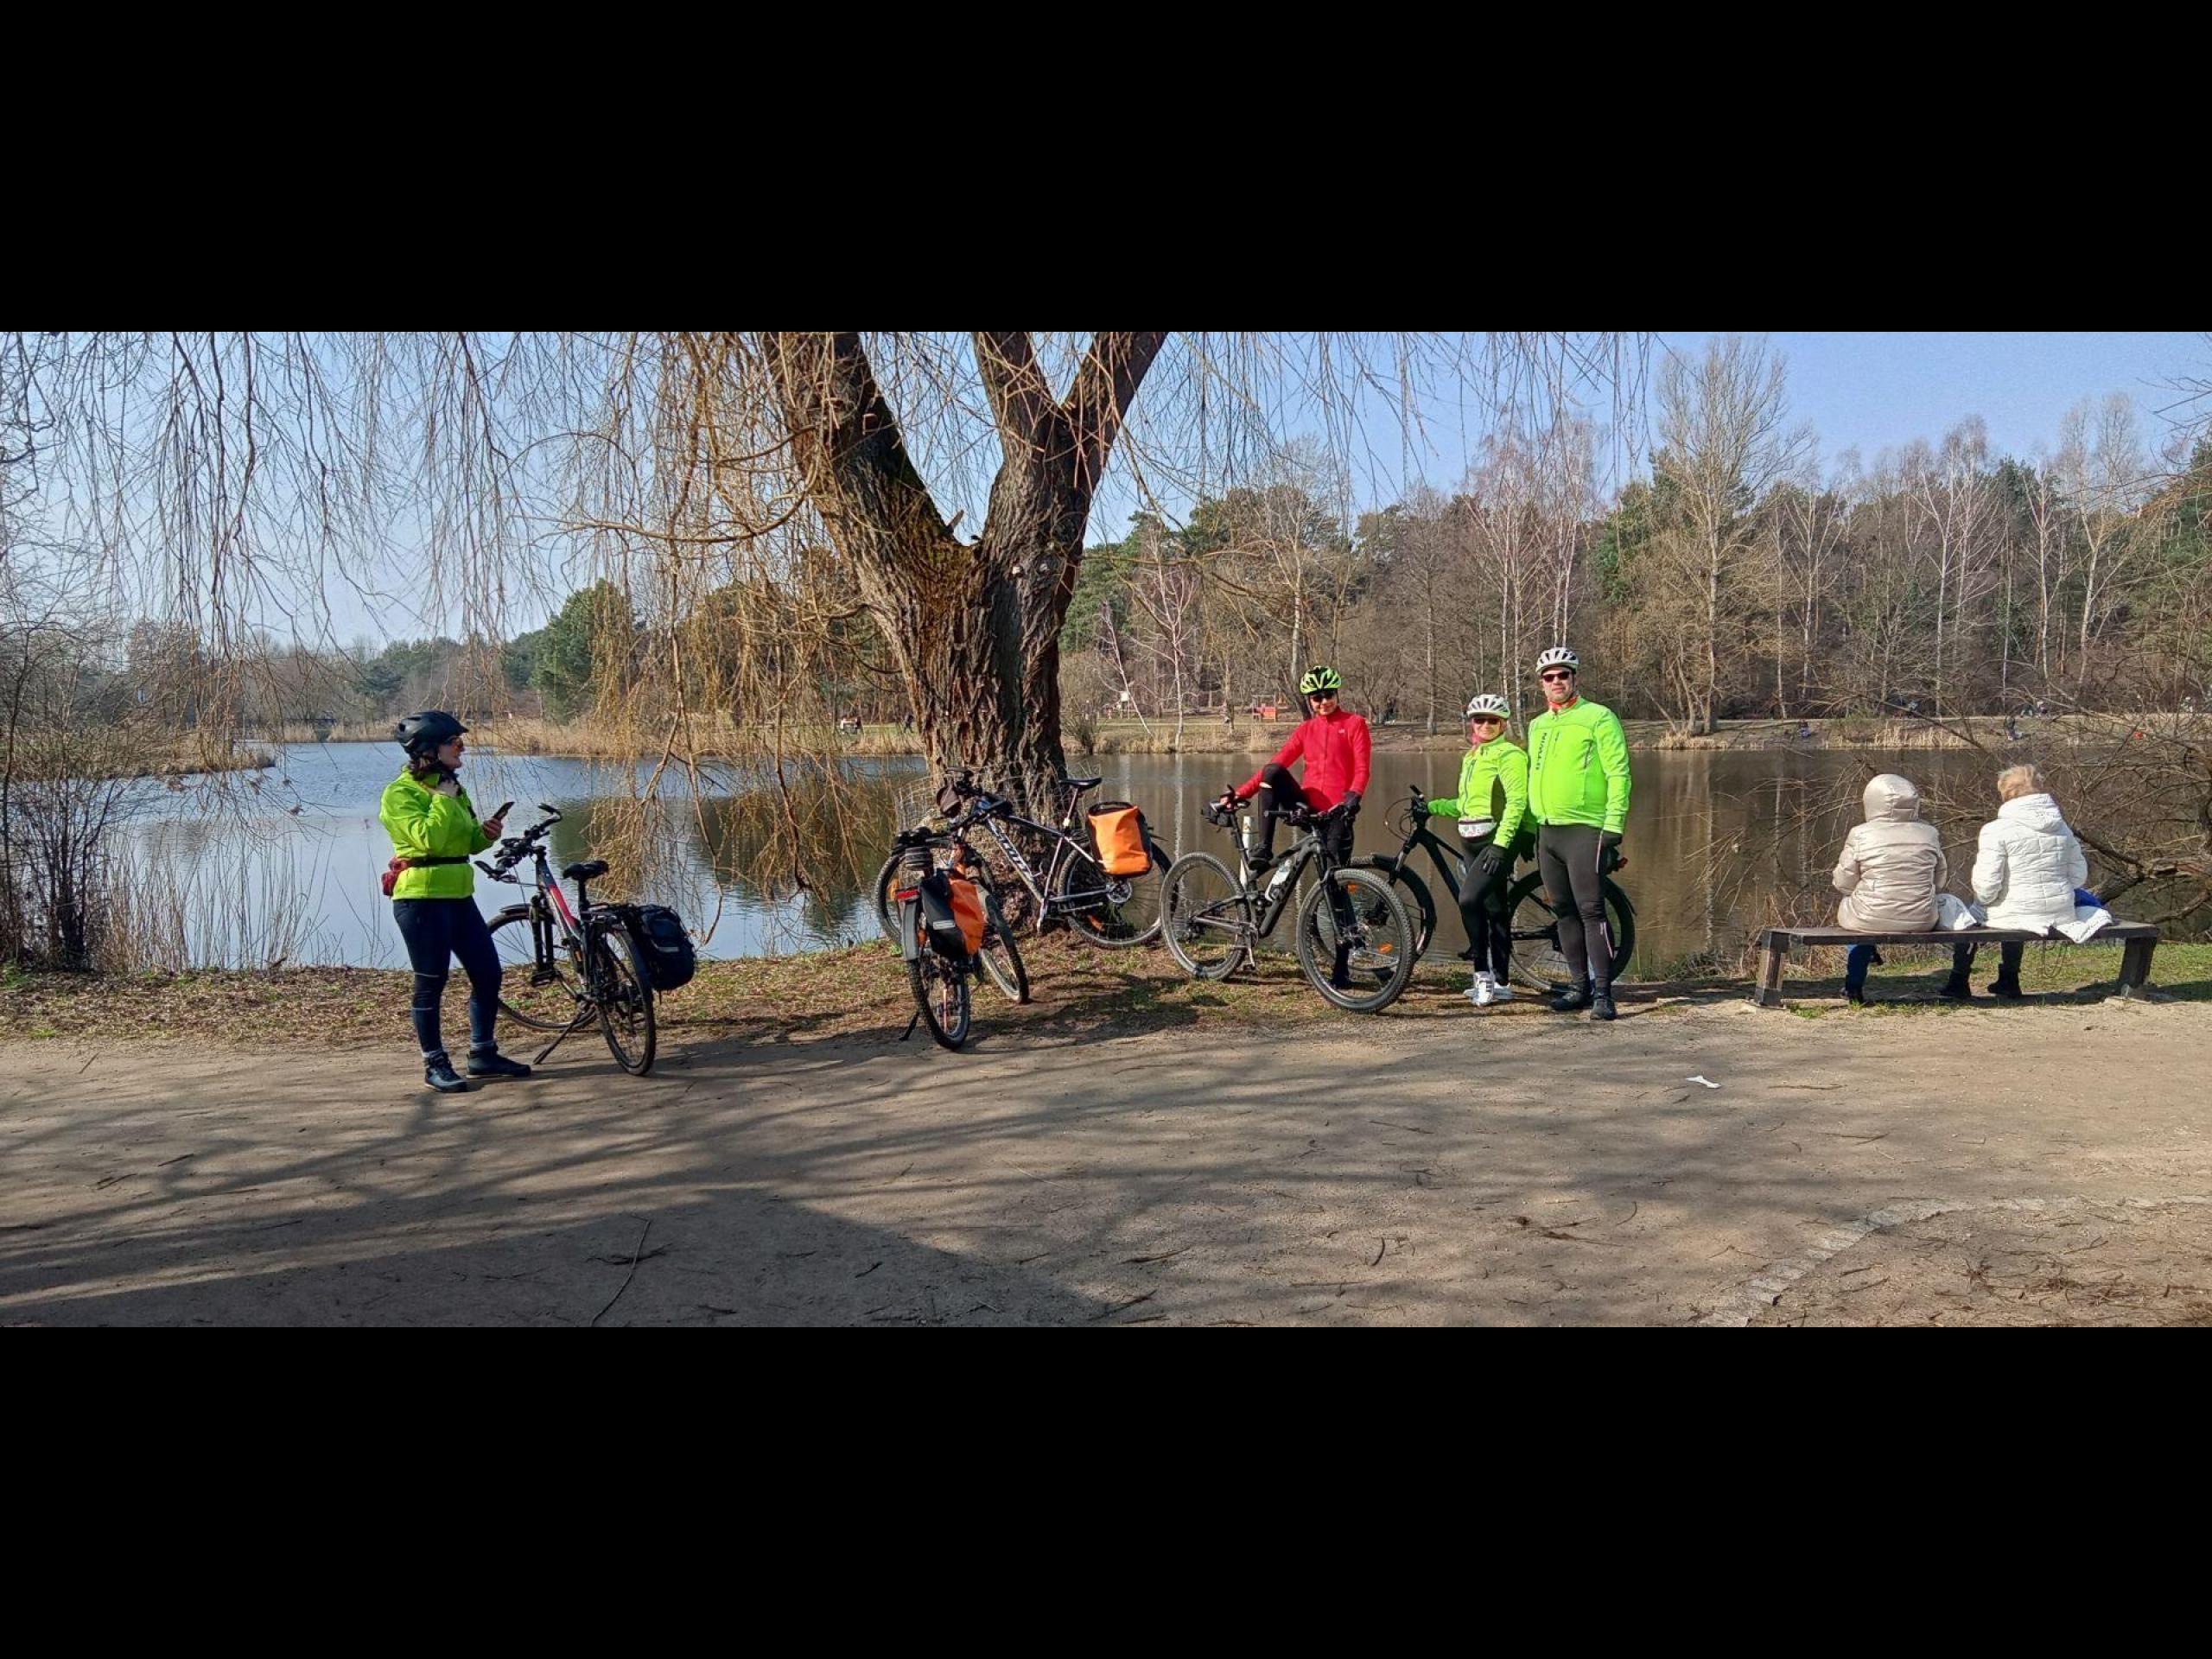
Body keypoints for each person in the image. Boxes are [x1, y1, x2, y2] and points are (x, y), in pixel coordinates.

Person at [379, 711, 533, 1093]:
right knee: (431, 983)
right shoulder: (401, 793)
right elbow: (428, 840)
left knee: (488, 973)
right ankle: (434, 1063)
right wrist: (444, 799)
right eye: (455, 743)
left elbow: (462, 844)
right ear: (429, 749)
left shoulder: (449, 788)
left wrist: (485, 835)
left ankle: (482, 1054)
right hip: (421, 900)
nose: (462, 749)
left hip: (460, 896)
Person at [1215, 666, 1371, 985]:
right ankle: (1263, 849)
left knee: (1334, 887)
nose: (1323, 702)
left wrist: (1354, 797)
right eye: (1316, 697)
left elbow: (1362, 769)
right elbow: (1276, 764)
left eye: (1328, 695)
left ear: (1337, 694)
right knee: (1273, 772)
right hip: (1307, 809)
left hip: (1337, 815)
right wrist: (1239, 795)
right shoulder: (1306, 730)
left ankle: (1342, 966)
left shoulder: (1355, 724)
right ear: (1309, 700)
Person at [1525, 646, 1631, 1021]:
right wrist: (1530, 827)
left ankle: (1603, 992)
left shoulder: (1598, 717)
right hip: (1548, 832)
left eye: (1563, 675)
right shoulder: (1537, 725)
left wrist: (1614, 824)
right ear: (1542, 684)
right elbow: (1534, 777)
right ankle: (1578, 987)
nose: (1557, 681)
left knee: (1591, 910)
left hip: (1586, 830)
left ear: (1574, 678)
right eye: (1549, 677)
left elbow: (1619, 773)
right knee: (1563, 911)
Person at [1942, 764, 2089, 1001]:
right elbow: (2079, 876)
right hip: (2060, 911)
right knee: (2014, 912)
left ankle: (1958, 980)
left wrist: (1984, 900)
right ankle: (2009, 979)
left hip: (2018, 911)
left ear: (2006, 794)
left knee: (1973, 917)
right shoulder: (2062, 828)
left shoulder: (1995, 830)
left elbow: (1987, 887)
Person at [1419, 693, 1529, 1007]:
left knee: (1469, 900)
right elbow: (1466, 806)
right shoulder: (1472, 756)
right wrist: (1432, 806)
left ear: (1503, 724)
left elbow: (1517, 803)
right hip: (1470, 838)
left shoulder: (1510, 755)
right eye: (1479, 720)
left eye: (1492, 721)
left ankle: (1482, 974)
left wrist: (1500, 846)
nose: (1485, 725)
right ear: (1472, 723)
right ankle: (1503, 982)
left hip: (1495, 839)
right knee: (1495, 909)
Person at [1831, 773, 1947, 1006]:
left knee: (1858, 917)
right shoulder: (1929, 833)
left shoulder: (1860, 834)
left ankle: (1854, 986)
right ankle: (1867, 954)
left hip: (1869, 915)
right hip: (1922, 917)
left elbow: (1843, 882)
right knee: (1865, 914)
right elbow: (1940, 880)